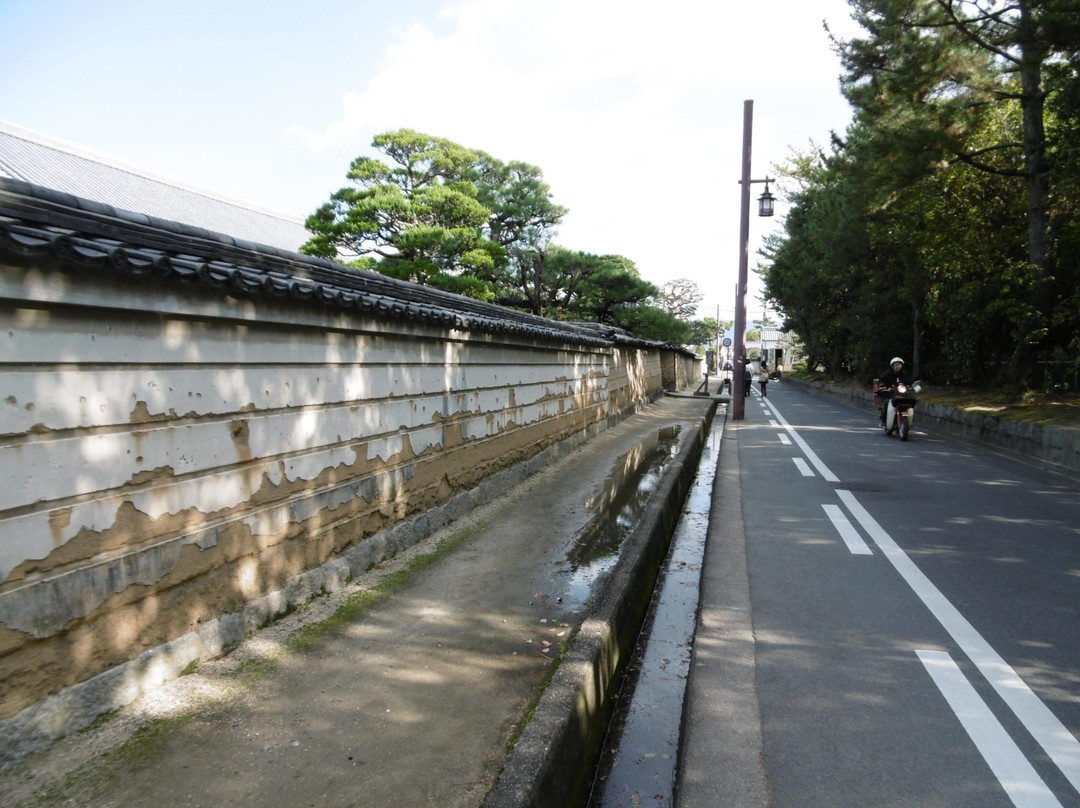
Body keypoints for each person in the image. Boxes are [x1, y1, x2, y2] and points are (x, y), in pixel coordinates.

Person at [877, 356, 910, 424]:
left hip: (901, 394)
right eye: (895, 365)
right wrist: (882, 386)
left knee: (910, 401)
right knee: (886, 402)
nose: (897, 366)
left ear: (901, 365)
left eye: (899, 364)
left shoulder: (904, 374)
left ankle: (909, 419)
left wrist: (913, 386)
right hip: (889, 393)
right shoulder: (886, 373)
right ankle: (884, 419)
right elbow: (881, 380)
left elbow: (910, 381)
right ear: (892, 366)